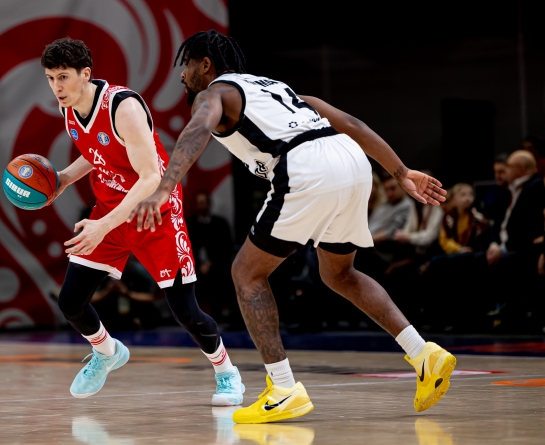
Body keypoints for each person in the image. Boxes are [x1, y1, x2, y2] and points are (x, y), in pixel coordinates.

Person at [129, 30, 455, 424]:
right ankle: (423, 354)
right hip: (350, 161)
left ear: (206, 65)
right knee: (340, 273)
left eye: (186, 65)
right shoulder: (279, 90)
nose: (182, 75)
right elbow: (351, 123)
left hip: (305, 165)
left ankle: (283, 389)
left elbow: (198, 129)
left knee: (246, 273)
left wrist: (163, 189)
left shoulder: (215, 93)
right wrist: (401, 172)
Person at [40, 38, 244, 405]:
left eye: (64, 77)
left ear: (85, 74)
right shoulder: (68, 106)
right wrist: (65, 178)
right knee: (70, 302)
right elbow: (97, 150)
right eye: (51, 78)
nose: (57, 87)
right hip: (110, 209)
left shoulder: (124, 107)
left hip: (154, 210)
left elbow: (151, 178)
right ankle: (107, 352)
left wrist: (102, 225)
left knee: (185, 311)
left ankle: (227, 373)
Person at [185, 190, 237, 324]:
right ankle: (191, 317)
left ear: (209, 204)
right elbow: (184, 248)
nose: (201, 206)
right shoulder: (188, 224)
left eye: (203, 203)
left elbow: (227, 248)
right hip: (194, 266)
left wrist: (211, 263)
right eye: (198, 203)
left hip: (217, 265)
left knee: (223, 276)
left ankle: (222, 316)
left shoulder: (220, 223)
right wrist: (198, 264)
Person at [438, 183, 488, 255]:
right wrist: (458, 249)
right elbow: (444, 240)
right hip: (455, 253)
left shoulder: (478, 217)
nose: (468, 198)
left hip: (474, 253)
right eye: (463, 195)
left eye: (470, 194)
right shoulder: (448, 217)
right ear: (454, 199)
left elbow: (483, 239)